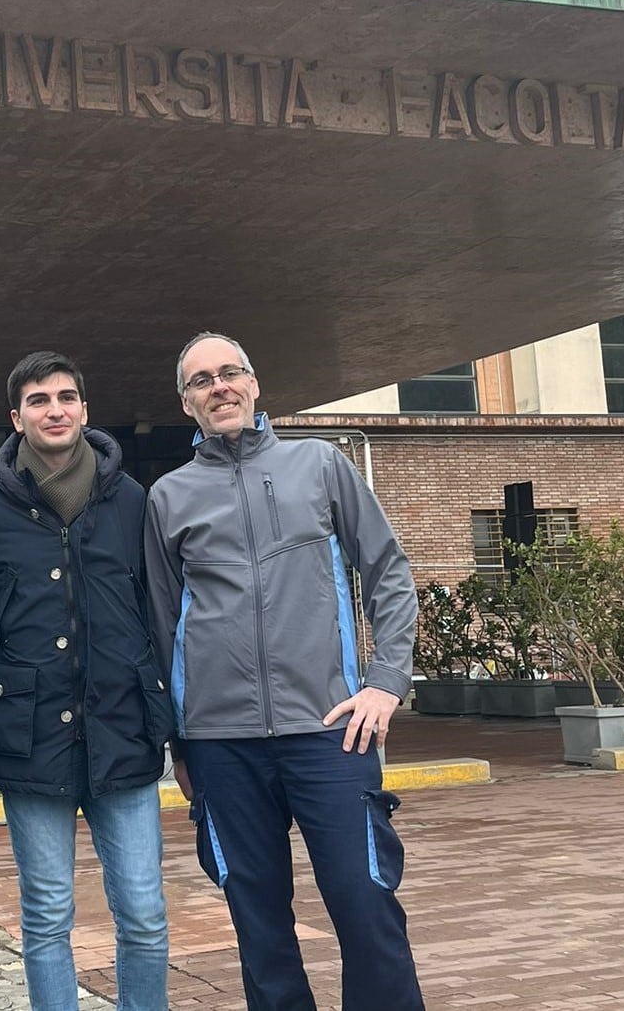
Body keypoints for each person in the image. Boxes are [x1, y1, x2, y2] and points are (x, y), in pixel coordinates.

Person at [145, 332, 425, 1011]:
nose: (220, 386)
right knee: (260, 927)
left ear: (255, 382)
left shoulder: (320, 465)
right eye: (202, 380)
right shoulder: (168, 496)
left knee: (366, 906)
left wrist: (386, 682)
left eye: (230, 372)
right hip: (221, 747)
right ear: (187, 402)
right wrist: (179, 742)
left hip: (330, 731)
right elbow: (159, 629)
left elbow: (387, 571)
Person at [0, 350, 172, 1011]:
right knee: (47, 914)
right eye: (39, 399)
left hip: (123, 731)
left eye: (66, 396)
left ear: (84, 409)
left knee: (144, 911)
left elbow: (160, 605)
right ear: (16, 417)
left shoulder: (132, 499)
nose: (55, 408)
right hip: (29, 741)